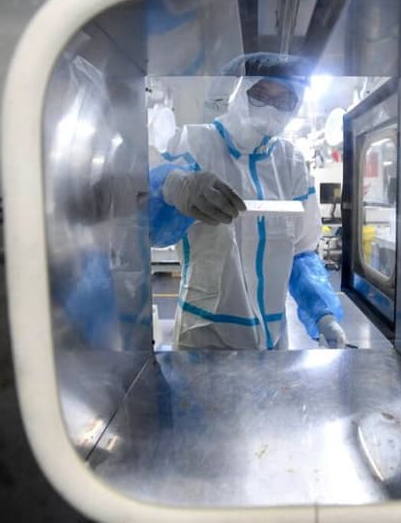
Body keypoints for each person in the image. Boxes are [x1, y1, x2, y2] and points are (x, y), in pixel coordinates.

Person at [147, 53, 346, 350]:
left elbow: (301, 253)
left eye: (284, 100)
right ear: (237, 91)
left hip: (274, 339)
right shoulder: (194, 143)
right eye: (261, 93)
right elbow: (151, 229)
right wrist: (170, 185)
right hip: (206, 334)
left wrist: (323, 313)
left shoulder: (290, 162)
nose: (270, 106)